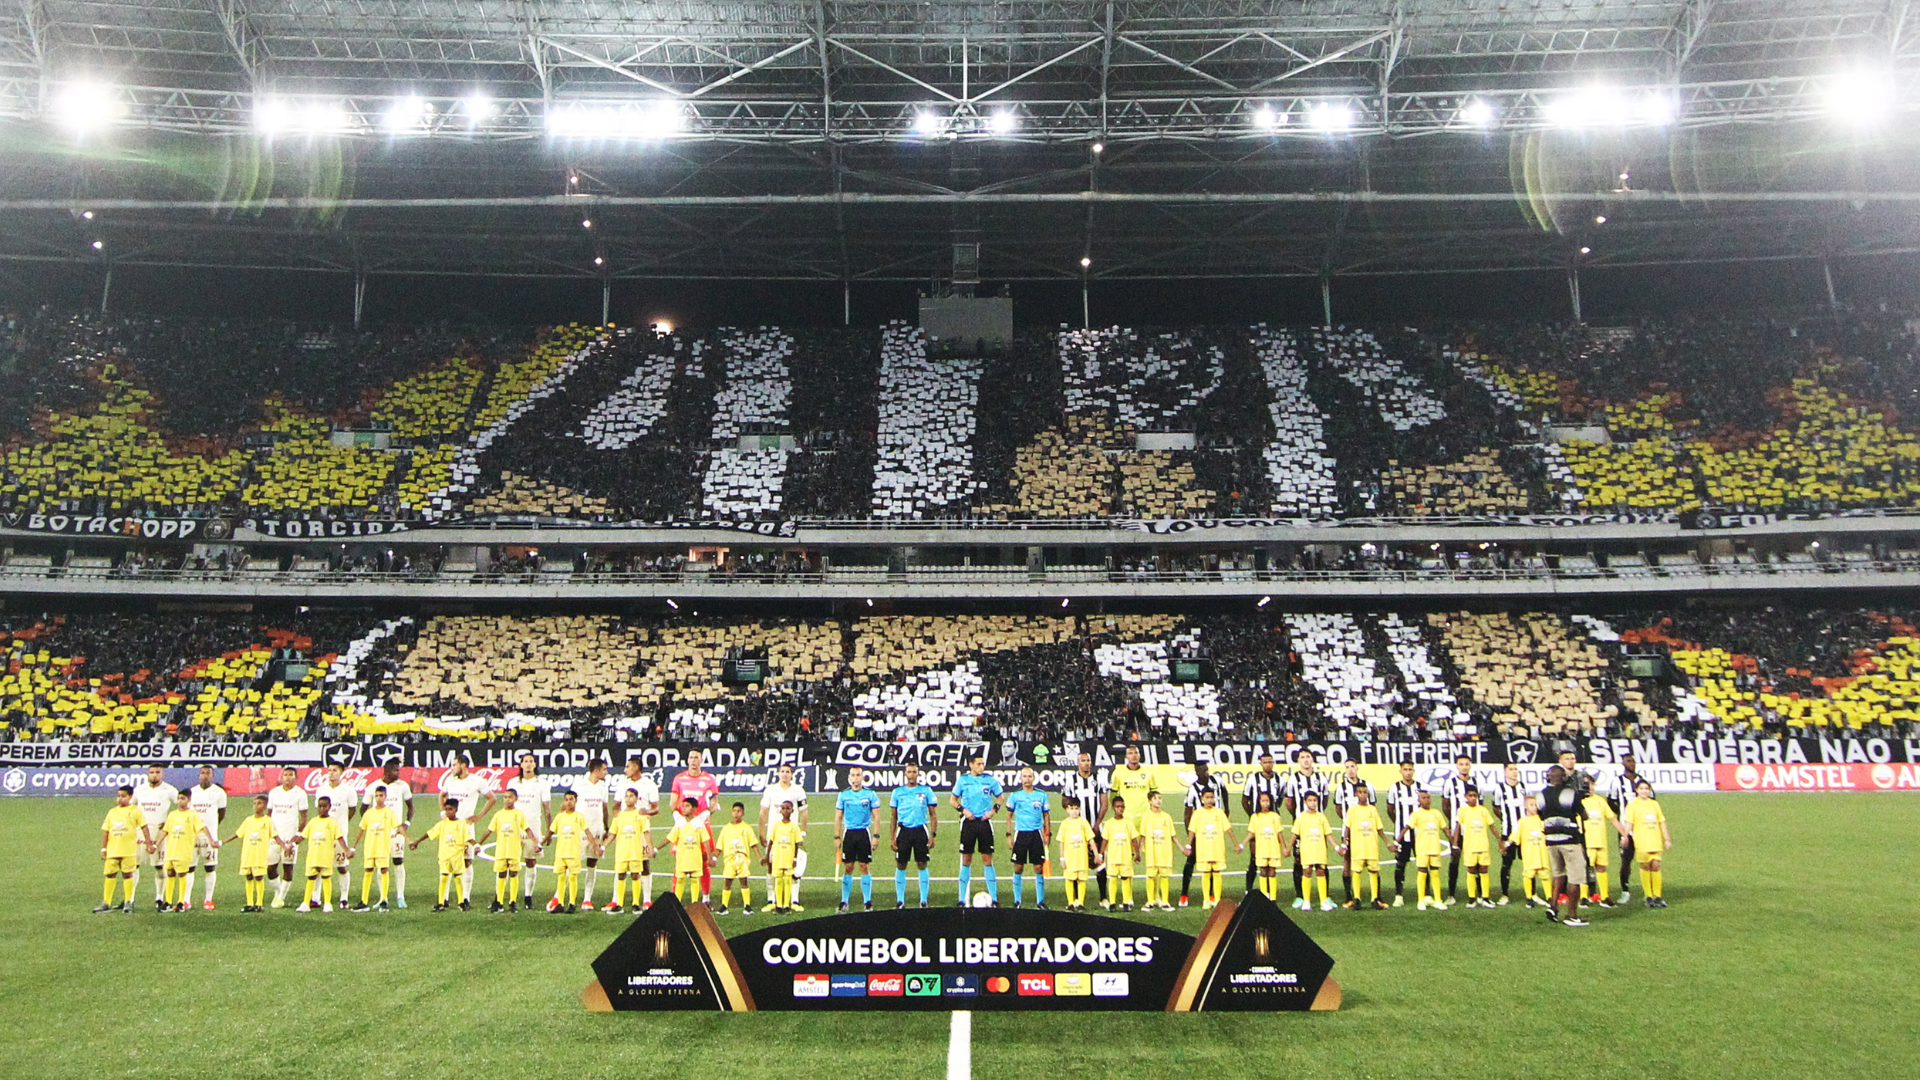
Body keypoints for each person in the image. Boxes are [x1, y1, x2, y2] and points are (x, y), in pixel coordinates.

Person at [1538, 765, 1590, 926]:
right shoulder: (1570, 793)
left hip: (1551, 840)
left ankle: (1553, 906)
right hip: (1570, 840)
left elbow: (1541, 815)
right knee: (1575, 877)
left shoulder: (1541, 795)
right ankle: (1572, 914)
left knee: (1558, 873)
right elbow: (1584, 815)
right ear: (1563, 777)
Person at [438, 755, 491, 910]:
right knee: (447, 861)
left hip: (467, 827)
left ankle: (465, 897)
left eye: (454, 765)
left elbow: (491, 798)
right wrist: (443, 814)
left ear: (463, 765)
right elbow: (441, 795)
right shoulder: (450, 781)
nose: (452, 768)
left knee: (467, 861)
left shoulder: (476, 781)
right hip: (450, 827)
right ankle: (444, 898)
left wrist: (479, 816)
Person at [952, 755, 1004, 906]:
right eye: (979, 764)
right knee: (966, 859)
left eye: (983, 764)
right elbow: (953, 800)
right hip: (968, 823)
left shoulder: (990, 780)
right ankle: (961, 899)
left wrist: (994, 810)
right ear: (971, 765)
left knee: (987, 859)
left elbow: (1000, 797)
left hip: (984, 823)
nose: (982, 767)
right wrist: (963, 810)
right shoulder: (963, 780)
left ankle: (994, 898)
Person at [669, 751, 721, 904]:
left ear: (701, 760)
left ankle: (705, 899)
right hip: (683, 826)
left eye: (696, 757)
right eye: (690, 757)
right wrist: (677, 816)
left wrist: (704, 815)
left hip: (701, 825)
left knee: (704, 862)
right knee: (680, 861)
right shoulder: (679, 779)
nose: (693, 760)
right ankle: (674, 899)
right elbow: (673, 803)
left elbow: (714, 803)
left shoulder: (709, 779)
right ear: (687, 760)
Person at [1176, 761, 1228, 907]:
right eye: (1202, 770)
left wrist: (1226, 809)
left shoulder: (1217, 781)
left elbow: (1224, 792)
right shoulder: (1193, 789)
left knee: (1213, 862)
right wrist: (1191, 836)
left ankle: (1211, 895)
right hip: (1200, 832)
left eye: (1206, 769)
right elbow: (1187, 813)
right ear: (1196, 771)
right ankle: (1184, 894)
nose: (1205, 772)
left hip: (1214, 830)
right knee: (1191, 861)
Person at [1059, 752, 1108, 904]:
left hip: (1095, 828)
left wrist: (1097, 824)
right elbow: (1064, 801)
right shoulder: (1071, 780)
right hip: (1077, 831)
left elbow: (1104, 802)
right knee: (1074, 863)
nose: (1086, 763)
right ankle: (1074, 899)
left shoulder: (1098, 779)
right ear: (1078, 763)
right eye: (1083, 760)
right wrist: (1074, 819)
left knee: (1100, 862)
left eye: (1089, 760)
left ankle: (1103, 897)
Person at [888, 761, 938, 909]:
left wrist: (933, 835)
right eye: (909, 772)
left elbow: (933, 815)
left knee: (922, 863)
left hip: (920, 830)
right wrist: (892, 838)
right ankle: (900, 900)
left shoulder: (926, 790)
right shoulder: (897, 792)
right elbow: (893, 817)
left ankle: (923, 900)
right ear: (905, 773)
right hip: (903, 831)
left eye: (914, 772)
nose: (911, 775)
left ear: (918, 773)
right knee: (901, 864)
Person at [759, 763, 809, 911]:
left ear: (792, 774)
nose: (785, 774)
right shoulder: (770, 790)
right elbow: (763, 812)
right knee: (770, 865)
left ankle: (793, 900)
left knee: (792, 866)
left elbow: (804, 813)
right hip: (774, 833)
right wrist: (761, 832)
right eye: (782, 771)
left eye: (788, 772)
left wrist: (803, 832)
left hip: (791, 835)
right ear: (778, 774)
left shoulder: (798, 791)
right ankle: (771, 900)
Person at [1285, 749, 1331, 907]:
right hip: (1302, 825)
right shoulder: (1293, 779)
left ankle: (1325, 896)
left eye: (1308, 757)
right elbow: (1289, 802)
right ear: (1298, 760)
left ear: (1312, 760)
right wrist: (1298, 817)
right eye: (1302, 757)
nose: (1305, 760)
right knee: (1299, 859)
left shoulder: (1321, 778)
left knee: (1322, 861)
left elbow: (1324, 800)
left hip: (1318, 825)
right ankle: (1300, 895)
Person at [313, 763, 361, 909]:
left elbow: (352, 810)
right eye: (329, 770)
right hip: (323, 835)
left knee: (342, 866)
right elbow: (319, 810)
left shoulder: (348, 790)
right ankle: (315, 898)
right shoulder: (321, 790)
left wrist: (342, 824)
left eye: (334, 770)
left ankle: (344, 898)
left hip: (340, 835)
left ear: (341, 772)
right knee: (319, 866)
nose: (331, 773)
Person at [411, 799, 473, 911]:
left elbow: (468, 837)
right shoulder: (442, 824)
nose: (448, 812)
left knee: (457, 877)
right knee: (444, 877)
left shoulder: (461, 824)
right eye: (446, 810)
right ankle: (441, 902)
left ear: (456, 810)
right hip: (444, 855)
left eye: (450, 809)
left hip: (457, 855)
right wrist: (417, 842)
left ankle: (461, 901)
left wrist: (476, 845)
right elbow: (430, 833)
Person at [509, 754, 554, 910]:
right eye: (525, 761)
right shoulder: (513, 782)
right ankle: (507, 896)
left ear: (535, 765)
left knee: (530, 861)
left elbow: (547, 809)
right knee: (509, 862)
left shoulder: (542, 784)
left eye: (531, 761)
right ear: (520, 765)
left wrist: (549, 831)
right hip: (514, 826)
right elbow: (508, 804)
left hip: (533, 826)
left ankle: (528, 896)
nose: (528, 764)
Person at [97, 785, 151, 913]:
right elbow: (106, 831)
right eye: (118, 796)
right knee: (110, 874)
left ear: (130, 797)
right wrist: (104, 849)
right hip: (113, 850)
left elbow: (144, 827)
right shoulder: (112, 812)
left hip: (128, 850)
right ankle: (107, 902)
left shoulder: (135, 811)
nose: (120, 799)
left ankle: (128, 902)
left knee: (127, 875)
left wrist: (149, 843)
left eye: (123, 796)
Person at [1240, 752, 1288, 895]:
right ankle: (1249, 890)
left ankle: (1270, 893)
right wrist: (1253, 816)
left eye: (1270, 761)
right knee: (1255, 857)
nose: (1268, 764)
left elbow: (1280, 799)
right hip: (1258, 822)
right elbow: (1244, 800)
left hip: (1272, 822)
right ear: (1261, 764)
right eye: (1265, 762)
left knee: (1272, 855)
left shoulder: (1280, 780)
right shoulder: (1253, 779)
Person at [476, 788, 531, 913]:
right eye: (505, 797)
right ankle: (499, 902)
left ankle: (513, 902)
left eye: (510, 797)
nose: (507, 800)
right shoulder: (498, 814)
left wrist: (536, 842)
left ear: (516, 799)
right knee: (501, 874)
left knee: (513, 874)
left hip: (514, 849)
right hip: (501, 850)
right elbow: (489, 830)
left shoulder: (519, 814)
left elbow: (527, 829)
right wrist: (479, 843)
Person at [834, 766, 881, 912]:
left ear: (862, 777)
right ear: (849, 778)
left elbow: (877, 816)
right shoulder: (843, 795)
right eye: (853, 775)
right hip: (849, 834)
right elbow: (838, 816)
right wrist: (837, 836)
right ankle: (844, 901)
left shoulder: (870, 794)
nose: (855, 778)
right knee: (848, 867)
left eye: (858, 775)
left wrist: (876, 836)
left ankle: (867, 901)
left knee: (864, 866)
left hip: (863, 834)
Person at [1004, 767, 1052, 909]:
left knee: (1038, 867)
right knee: (1018, 867)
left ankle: (1040, 901)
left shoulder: (1041, 795)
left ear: (1033, 778)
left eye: (1029, 776)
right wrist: (1008, 835)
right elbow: (1008, 816)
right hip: (1021, 834)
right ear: (1021, 778)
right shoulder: (1015, 795)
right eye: (1024, 776)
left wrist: (1047, 834)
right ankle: (1017, 901)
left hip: (1036, 834)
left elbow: (1046, 816)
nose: (1027, 779)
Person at [132, 764, 179, 911]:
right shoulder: (139, 790)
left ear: (162, 774)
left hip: (159, 834)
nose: (154, 775)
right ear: (148, 774)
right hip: (140, 833)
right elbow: (131, 806)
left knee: (160, 866)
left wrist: (170, 822)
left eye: (157, 772)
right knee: (134, 865)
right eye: (152, 772)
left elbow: (183, 805)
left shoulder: (169, 790)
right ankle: (130, 898)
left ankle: (159, 897)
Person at [570, 760, 613, 911]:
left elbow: (605, 808)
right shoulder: (579, 785)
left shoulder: (602, 786)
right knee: (574, 862)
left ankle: (587, 899)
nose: (606, 772)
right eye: (604, 769)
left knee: (592, 863)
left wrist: (606, 827)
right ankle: (568, 897)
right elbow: (569, 805)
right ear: (596, 770)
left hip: (597, 829)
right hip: (581, 830)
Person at [159, 789, 213, 913]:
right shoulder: (172, 814)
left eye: (183, 798)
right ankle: (168, 902)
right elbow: (165, 830)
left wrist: (211, 840)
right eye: (178, 798)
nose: (179, 801)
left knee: (182, 874)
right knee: (170, 873)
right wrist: (155, 844)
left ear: (189, 800)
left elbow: (202, 827)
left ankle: (181, 902)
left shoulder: (192, 815)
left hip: (184, 850)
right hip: (171, 849)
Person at [372, 761, 416, 908]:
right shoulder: (373, 786)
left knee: (398, 862)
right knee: (381, 865)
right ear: (387, 770)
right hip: (379, 834)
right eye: (396, 770)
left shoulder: (402, 786)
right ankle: (382, 898)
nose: (399, 773)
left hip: (396, 833)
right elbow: (364, 809)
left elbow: (411, 807)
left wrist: (406, 823)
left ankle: (400, 897)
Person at [352, 785, 402, 912]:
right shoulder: (369, 813)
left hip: (383, 846)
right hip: (370, 846)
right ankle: (364, 901)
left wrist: (409, 839)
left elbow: (398, 826)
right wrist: (353, 847)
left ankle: (384, 900)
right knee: (368, 870)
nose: (379, 798)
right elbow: (361, 830)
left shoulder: (389, 812)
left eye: (381, 796)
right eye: (377, 796)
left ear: (385, 797)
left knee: (384, 870)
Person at [293, 795, 347, 914]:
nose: (322, 809)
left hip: (325, 855)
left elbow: (339, 837)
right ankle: (305, 903)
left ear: (329, 807)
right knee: (311, 878)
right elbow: (303, 836)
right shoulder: (313, 821)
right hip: (313, 855)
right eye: (320, 806)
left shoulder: (332, 822)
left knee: (326, 877)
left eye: (324, 806)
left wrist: (346, 850)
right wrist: (292, 844)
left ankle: (327, 903)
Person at [221, 795, 275, 913]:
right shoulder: (248, 820)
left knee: (259, 877)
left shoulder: (267, 821)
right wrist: (223, 842)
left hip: (259, 854)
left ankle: (259, 904)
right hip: (248, 853)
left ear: (265, 806)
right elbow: (238, 833)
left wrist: (285, 846)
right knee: (249, 876)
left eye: (259, 803)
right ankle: (250, 903)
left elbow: (275, 835)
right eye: (254, 803)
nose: (256, 806)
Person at [1623, 780, 1672, 908]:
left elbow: (1661, 822)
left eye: (1646, 788)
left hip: (1655, 839)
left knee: (1656, 865)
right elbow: (1629, 823)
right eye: (1642, 788)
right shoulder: (1633, 805)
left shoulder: (1654, 804)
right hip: (1642, 840)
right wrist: (1625, 836)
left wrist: (1666, 838)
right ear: (1637, 790)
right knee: (1645, 866)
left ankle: (1658, 896)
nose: (1644, 791)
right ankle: (1648, 896)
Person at [264, 766, 308, 909]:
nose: (288, 777)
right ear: (281, 777)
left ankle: (281, 897)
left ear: (295, 778)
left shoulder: (300, 794)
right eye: (285, 775)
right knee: (270, 868)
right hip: (275, 835)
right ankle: (278, 892)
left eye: (291, 775)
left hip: (290, 836)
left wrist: (298, 835)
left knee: (288, 867)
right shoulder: (274, 793)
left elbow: (303, 817)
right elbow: (269, 814)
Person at [186, 765, 228, 911]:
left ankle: (208, 899)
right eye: (202, 773)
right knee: (189, 868)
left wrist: (213, 826)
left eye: (208, 773)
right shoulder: (192, 791)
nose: (205, 776)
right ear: (199, 775)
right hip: (192, 835)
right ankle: (186, 900)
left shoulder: (219, 793)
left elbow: (222, 813)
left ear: (212, 775)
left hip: (210, 836)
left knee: (210, 867)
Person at [1581, 774, 1626, 907]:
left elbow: (1612, 818)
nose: (1590, 787)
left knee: (1601, 868)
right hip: (1587, 841)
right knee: (1585, 870)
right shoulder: (1580, 801)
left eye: (1592, 784)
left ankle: (1604, 896)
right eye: (1587, 784)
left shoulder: (1600, 801)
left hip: (1601, 841)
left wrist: (1624, 834)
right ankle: (1583, 896)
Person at [1339, 783, 1387, 910]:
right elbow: (1347, 828)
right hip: (1358, 846)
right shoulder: (1353, 810)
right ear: (1356, 794)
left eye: (1365, 792)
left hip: (1372, 846)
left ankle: (1374, 898)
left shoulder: (1372, 809)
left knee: (1373, 871)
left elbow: (1379, 828)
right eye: (1360, 792)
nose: (1363, 795)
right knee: (1357, 871)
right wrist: (1344, 843)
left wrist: (1387, 842)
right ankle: (1357, 898)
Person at [1184, 786, 1232, 909]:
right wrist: (1188, 845)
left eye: (1212, 797)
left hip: (1217, 848)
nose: (1210, 800)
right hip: (1203, 849)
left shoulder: (1219, 813)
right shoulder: (1197, 814)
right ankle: (1206, 899)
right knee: (1205, 873)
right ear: (1202, 799)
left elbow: (1228, 829)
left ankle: (1217, 899)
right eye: (1207, 797)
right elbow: (1192, 831)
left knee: (1217, 872)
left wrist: (1236, 843)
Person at [1436, 755, 1475, 902]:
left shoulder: (1476, 782)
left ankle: (1476, 894)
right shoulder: (1450, 783)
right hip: (1457, 828)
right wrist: (1454, 820)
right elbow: (1445, 806)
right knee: (1455, 858)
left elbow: (1480, 804)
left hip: (1473, 829)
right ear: (1457, 766)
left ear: (1470, 765)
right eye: (1461, 764)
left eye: (1466, 764)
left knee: (1475, 859)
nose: (1464, 766)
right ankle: (1451, 894)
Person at [607, 788, 652, 914]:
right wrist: (602, 847)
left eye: (631, 796)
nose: (628, 798)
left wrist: (649, 847)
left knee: (635, 875)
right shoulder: (619, 816)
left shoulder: (640, 815)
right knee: (621, 875)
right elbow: (612, 834)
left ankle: (635, 904)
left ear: (637, 799)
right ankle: (619, 904)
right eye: (626, 796)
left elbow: (646, 832)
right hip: (622, 851)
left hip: (635, 851)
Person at [1454, 786, 1500, 909]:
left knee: (1484, 870)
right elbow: (1458, 827)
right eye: (1470, 796)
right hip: (1469, 846)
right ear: (1465, 797)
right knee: (1471, 870)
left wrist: (1499, 840)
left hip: (1483, 845)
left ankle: (1485, 897)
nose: (1473, 798)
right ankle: (1471, 898)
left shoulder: (1483, 810)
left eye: (1475, 796)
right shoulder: (1462, 811)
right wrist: (1455, 843)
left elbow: (1492, 826)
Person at [547, 790, 591, 913]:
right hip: (561, 852)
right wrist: (542, 842)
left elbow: (587, 831)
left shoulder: (579, 817)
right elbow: (551, 831)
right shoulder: (559, 817)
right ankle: (560, 903)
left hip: (573, 852)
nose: (568, 802)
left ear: (576, 801)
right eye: (566, 799)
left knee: (572, 877)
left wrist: (595, 845)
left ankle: (572, 903)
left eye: (571, 799)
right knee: (561, 878)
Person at [1384, 761, 1421, 908]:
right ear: (1400, 771)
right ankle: (1398, 895)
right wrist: (1399, 824)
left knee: (1423, 864)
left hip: (1419, 834)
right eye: (1405, 769)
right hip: (1402, 834)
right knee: (1400, 865)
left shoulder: (1419, 787)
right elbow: (1390, 809)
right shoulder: (1395, 787)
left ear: (1413, 771)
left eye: (1410, 769)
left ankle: (1425, 894)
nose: (1408, 772)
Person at [1406, 790, 1450, 912]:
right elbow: (1407, 827)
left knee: (1435, 873)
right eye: (1424, 798)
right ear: (1419, 800)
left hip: (1434, 847)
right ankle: (1421, 900)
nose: (1427, 800)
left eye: (1428, 797)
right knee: (1422, 872)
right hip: (1422, 848)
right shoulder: (1416, 814)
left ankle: (1438, 900)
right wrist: (1397, 841)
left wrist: (1452, 840)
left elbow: (1445, 828)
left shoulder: (1436, 813)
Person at [1615, 756, 1653, 899]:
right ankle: (1625, 891)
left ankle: (1649, 892)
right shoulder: (1617, 781)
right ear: (1623, 764)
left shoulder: (1642, 781)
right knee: (1626, 859)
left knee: (1648, 860)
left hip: (1644, 829)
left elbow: (1652, 800)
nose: (1631, 764)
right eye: (1628, 761)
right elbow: (1612, 802)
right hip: (1626, 829)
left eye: (1633, 761)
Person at [1290, 791, 1334, 912]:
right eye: (1310, 800)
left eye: (1315, 800)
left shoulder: (1321, 817)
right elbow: (1295, 834)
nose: (1313, 803)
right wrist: (1288, 847)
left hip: (1319, 848)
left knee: (1321, 871)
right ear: (1305, 802)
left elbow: (1328, 833)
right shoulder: (1301, 817)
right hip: (1307, 848)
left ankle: (1323, 900)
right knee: (1307, 871)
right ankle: (1306, 900)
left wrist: (1336, 846)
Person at [1491, 763, 1528, 906]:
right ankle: (1504, 894)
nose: (1514, 772)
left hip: (1524, 832)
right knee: (1507, 863)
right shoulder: (1500, 788)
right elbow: (1496, 807)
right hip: (1508, 831)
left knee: (1529, 863)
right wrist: (1505, 818)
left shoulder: (1523, 787)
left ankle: (1531, 894)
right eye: (1511, 769)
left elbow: (1530, 804)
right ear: (1505, 772)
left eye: (1515, 769)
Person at [715, 802, 760, 914]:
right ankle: (724, 906)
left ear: (743, 813)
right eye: (734, 811)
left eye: (739, 811)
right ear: (731, 813)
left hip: (742, 859)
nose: (736, 813)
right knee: (727, 882)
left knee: (744, 881)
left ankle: (747, 906)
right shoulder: (726, 828)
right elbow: (719, 846)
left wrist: (760, 857)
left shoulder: (747, 828)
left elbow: (753, 844)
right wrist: (714, 858)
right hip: (729, 859)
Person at [1331, 761, 1366, 905]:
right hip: (1349, 830)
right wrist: (1348, 821)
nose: (1350, 770)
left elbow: (1372, 806)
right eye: (1347, 767)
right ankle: (1348, 896)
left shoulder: (1366, 785)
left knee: (1370, 860)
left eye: (1352, 767)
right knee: (1347, 861)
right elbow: (1338, 809)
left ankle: (1374, 895)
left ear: (1357, 768)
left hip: (1364, 830)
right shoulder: (1341, 788)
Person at [1240, 790, 1285, 902]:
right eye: (1263, 801)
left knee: (1272, 871)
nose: (1265, 803)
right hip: (1261, 849)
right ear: (1259, 802)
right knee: (1263, 871)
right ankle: (1265, 895)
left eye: (1267, 801)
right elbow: (1251, 833)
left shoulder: (1275, 816)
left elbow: (1279, 833)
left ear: (1270, 802)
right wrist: (1242, 844)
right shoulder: (1255, 817)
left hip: (1273, 848)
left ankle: (1273, 897)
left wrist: (1284, 847)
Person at [1507, 796, 1550, 908]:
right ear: (1525, 806)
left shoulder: (1541, 820)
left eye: (1536, 805)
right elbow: (1515, 835)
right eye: (1531, 805)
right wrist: (1507, 844)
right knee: (1528, 874)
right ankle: (1529, 897)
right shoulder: (1523, 822)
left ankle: (1549, 897)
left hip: (1541, 853)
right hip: (1529, 853)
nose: (1534, 807)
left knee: (1544, 874)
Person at [665, 797, 710, 904]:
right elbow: (669, 838)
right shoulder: (680, 824)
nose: (683, 808)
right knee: (680, 879)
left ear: (694, 808)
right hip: (682, 858)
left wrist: (709, 857)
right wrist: (656, 849)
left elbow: (706, 840)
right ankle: (677, 903)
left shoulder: (699, 824)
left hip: (695, 858)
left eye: (687, 806)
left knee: (694, 879)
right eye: (683, 806)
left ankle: (694, 903)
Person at [1056, 796, 1097, 911]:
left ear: (1080, 809)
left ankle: (1080, 902)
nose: (1074, 811)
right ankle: (1070, 902)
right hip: (1070, 858)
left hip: (1081, 858)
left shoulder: (1083, 823)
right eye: (1072, 808)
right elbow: (1061, 842)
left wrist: (1096, 854)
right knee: (1069, 879)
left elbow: (1091, 839)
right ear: (1067, 809)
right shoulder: (1064, 824)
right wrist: (1062, 858)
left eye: (1076, 808)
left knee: (1082, 879)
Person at [1140, 790, 1178, 911]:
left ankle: (1165, 901)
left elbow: (1173, 835)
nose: (1158, 801)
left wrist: (1182, 848)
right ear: (1150, 801)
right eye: (1156, 798)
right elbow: (1143, 836)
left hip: (1164, 852)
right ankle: (1150, 901)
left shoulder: (1167, 817)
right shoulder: (1146, 817)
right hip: (1151, 853)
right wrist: (1139, 851)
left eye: (1160, 798)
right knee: (1151, 876)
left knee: (1164, 876)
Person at [766, 800, 805, 914]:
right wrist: (768, 856)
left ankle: (786, 905)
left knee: (787, 881)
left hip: (788, 858)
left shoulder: (794, 827)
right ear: (780, 811)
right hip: (778, 858)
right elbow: (771, 842)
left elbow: (797, 844)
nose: (785, 810)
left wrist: (795, 859)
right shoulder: (776, 826)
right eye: (783, 808)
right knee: (778, 881)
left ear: (792, 811)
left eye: (788, 808)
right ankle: (779, 905)